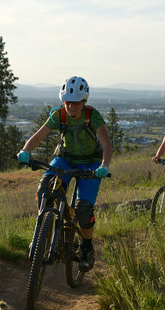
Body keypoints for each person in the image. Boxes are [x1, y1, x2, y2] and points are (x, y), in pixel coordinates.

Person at [17, 76, 112, 272]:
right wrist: (26, 150)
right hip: (65, 159)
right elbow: (39, 135)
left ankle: (86, 247)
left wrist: (104, 165)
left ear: (83, 101)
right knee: (45, 188)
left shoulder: (92, 116)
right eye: (67, 102)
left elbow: (106, 142)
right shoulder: (59, 115)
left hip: (91, 164)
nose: (71, 106)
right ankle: (44, 229)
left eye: (75, 103)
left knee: (84, 209)